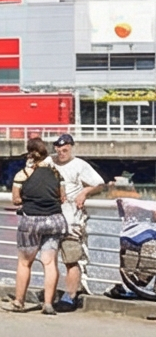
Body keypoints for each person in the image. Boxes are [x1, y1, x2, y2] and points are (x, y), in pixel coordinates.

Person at [8, 134, 69, 312]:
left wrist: (29, 199)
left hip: (31, 221)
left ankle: (19, 301)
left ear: (29, 155)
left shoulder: (23, 174)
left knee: (24, 263)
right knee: (49, 263)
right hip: (55, 220)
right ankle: (48, 304)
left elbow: (16, 199)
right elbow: (62, 198)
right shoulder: (57, 174)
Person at [48, 132, 106, 311]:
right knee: (48, 260)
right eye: (58, 148)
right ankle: (49, 298)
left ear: (71, 147)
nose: (61, 152)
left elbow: (99, 183)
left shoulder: (80, 165)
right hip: (50, 219)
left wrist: (84, 192)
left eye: (65, 149)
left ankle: (71, 296)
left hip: (71, 221)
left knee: (71, 260)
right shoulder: (48, 163)